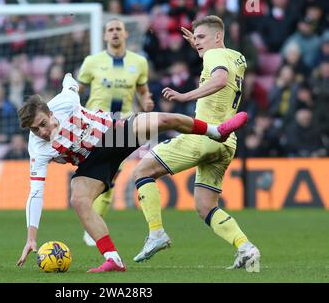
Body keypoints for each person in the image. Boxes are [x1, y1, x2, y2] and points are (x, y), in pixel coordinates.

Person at [15, 73, 248, 273]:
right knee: (78, 199)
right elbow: (35, 192)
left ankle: (216, 131)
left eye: (43, 124)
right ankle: (113, 259)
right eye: (35, 129)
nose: (41, 132)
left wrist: (70, 79)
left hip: (113, 133)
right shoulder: (37, 148)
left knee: (164, 119)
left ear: (50, 111)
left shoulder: (64, 102)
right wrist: (31, 237)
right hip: (92, 162)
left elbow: (70, 83)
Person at [132, 15, 261, 273]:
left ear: (218, 37)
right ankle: (246, 248)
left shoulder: (215, 57)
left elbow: (220, 79)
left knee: (142, 171)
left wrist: (184, 96)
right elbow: (221, 63)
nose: (197, 41)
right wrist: (201, 46)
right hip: (226, 142)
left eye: (201, 37)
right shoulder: (238, 57)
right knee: (206, 206)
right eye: (195, 37)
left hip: (202, 136)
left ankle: (156, 233)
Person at [77, 18, 154, 246]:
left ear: (125, 34)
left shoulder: (139, 62)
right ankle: (90, 218)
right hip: (94, 124)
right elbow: (77, 91)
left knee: (110, 177)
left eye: (118, 29)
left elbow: (143, 92)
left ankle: (94, 224)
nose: (114, 33)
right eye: (110, 30)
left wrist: (147, 102)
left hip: (122, 125)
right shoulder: (92, 62)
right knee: (95, 175)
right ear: (104, 36)